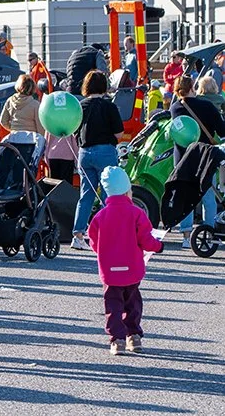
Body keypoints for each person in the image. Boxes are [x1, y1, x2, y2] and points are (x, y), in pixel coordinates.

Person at [88, 166, 163, 354]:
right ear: (127, 191)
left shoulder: (100, 216)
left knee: (113, 305)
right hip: (132, 268)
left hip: (110, 270)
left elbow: (93, 241)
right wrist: (158, 246)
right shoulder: (137, 213)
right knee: (133, 303)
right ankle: (134, 336)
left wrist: (102, 252)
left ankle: (117, 340)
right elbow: (145, 239)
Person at [169, 75, 225, 246]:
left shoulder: (175, 108)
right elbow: (222, 130)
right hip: (205, 157)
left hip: (183, 159)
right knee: (208, 196)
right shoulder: (206, 106)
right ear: (192, 87)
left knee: (186, 197)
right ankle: (209, 233)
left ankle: (186, 236)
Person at [71, 70, 124, 251]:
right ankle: (105, 235)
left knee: (86, 195)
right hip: (105, 151)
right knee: (108, 195)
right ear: (104, 86)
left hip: (84, 153)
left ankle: (78, 235)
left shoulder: (80, 106)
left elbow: (73, 130)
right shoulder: (109, 106)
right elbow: (119, 133)